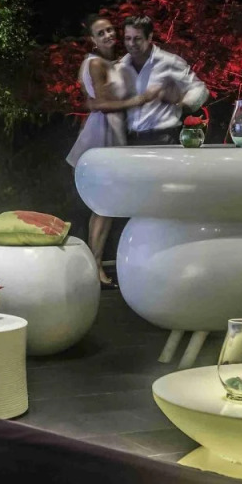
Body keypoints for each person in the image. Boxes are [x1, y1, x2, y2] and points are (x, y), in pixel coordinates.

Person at [67, 15, 160, 287]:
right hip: (101, 135)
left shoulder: (107, 63)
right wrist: (139, 100)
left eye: (110, 30)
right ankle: (94, 268)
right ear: (93, 40)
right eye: (101, 33)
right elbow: (100, 104)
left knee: (106, 206)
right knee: (103, 205)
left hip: (111, 132)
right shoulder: (96, 63)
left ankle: (94, 266)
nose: (109, 35)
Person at [119, 16, 209, 145]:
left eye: (137, 38)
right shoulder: (122, 66)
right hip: (131, 141)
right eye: (128, 38)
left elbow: (199, 89)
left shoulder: (169, 61)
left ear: (149, 37)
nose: (131, 43)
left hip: (164, 139)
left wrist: (182, 104)